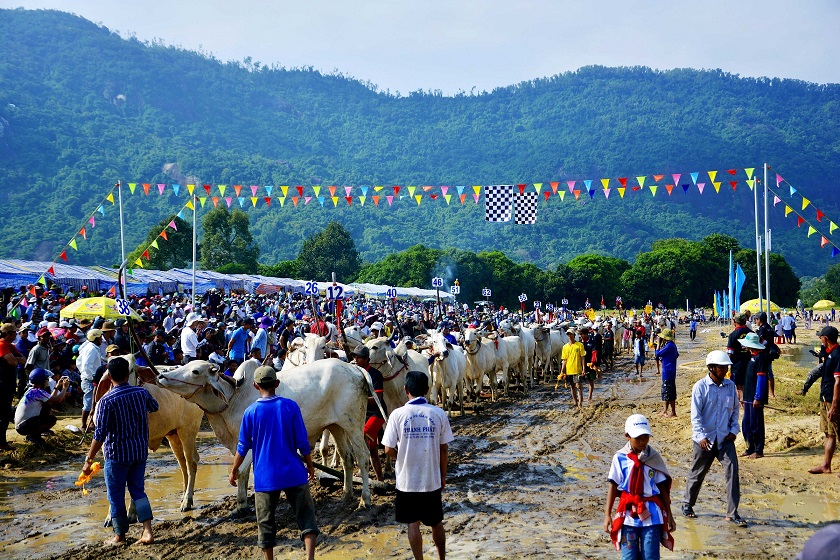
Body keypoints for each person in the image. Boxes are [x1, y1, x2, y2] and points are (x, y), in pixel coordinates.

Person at [229, 365, 318, 560]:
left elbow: (242, 447)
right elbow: (302, 442)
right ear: (277, 383)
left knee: (266, 524)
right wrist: (309, 465)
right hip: (294, 473)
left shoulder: (250, 412)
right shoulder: (290, 406)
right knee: (306, 518)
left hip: (266, 478)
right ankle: (310, 558)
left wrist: (234, 470)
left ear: (254, 385)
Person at [83, 357, 159, 545]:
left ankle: (120, 536)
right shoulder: (141, 393)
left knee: (116, 495)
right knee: (138, 491)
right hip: (139, 451)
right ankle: (147, 531)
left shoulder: (105, 401)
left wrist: (89, 458)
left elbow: (99, 434)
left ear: (108, 376)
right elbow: (154, 407)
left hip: (117, 455)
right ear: (128, 374)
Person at [382, 370, 454, 560]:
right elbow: (444, 449)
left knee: (412, 524)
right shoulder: (438, 413)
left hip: (407, 481)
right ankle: (442, 558)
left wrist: (402, 458)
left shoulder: (397, 415)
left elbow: (388, 448)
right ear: (428, 389)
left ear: (405, 389)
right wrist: (443, 476)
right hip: (431, 478)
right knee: (436, 522)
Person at [682, 350, 746, 527]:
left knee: (732, 472)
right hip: (705, 440)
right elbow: (695, 417)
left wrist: (734, 430)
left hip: (725, 438)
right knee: (697, 473)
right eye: (721, 367)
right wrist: (701, 437)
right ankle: (687, 505)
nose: (725, 370)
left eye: (726, 367)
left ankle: (732, 513)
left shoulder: (730, 387)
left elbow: (734, 411)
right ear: (711, 368)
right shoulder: (700, 387)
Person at [604, 414, 675, 559]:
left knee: (650, 556)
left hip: (652, 515)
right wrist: (607, 515)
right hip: (628, 515)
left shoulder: (653, 457)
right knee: (629, 556)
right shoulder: (619, 458)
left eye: (646, 437)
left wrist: (670, 516)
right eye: (638, 438)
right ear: (627, 436)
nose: (643, 441)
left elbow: (663, 489)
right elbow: (613, 486)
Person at [807, 325, 840, 475]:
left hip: (833, 401)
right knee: (829, 433)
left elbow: (838, 382)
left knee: (837, 432)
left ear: (825, 339)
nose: (819, 339)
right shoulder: (829, 353)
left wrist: (834, 406)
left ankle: (827, 465)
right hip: (825, 399)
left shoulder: (838, 354)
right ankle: (826, 465)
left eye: (821, 337)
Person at [352, 345, 387, 481]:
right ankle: (379, 479)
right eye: (355, 356)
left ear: (367, 359)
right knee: (372, 450)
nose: (356, 359)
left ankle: (364, 472)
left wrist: (357, 400)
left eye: (359, 357)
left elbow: (378, 399)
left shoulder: (375, 374)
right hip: (363, 413)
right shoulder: (354, 372)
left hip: (377, 413)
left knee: (364, 437)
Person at [14, 368, 70, 443]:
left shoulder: (32, 390)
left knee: (47, 406)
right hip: (23, 427)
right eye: (46, 379)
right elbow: (58, 400)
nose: (47, 381)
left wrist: (57, 386)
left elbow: (51, 400)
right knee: (51, 420)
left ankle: (34, 434)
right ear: (41, 381)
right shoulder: (38, 392)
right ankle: (33, 436)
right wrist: (64, 388)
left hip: (22, 425)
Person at [740, 333, 769, 459]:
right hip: (747, 396)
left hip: (755, 398)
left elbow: (761, 379)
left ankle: (758, 450)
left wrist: (758, 397)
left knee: (756, 424)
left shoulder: (760, 358)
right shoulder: (751, 356)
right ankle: (749, 447)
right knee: (747, 424)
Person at [0, 323, 27, 450]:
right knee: (3, 413)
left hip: (9, 384)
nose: (16, 334)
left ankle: (2, 440)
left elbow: (23, 360)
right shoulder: (2, 345)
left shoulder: (10, 346)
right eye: (14, 332)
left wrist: (13, 358)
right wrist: (14, 359)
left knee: (5, 412)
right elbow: (14, 361)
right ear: (8, 333)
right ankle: (2, 442)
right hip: (2, 384)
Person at [77, 328, 104, 431]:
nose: (101, 339)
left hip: (91, 378)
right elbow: (86, 365)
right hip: (89, 379)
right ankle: (83, 425)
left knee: (95, 402)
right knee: (89, 402)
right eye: (100, 337)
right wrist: (91, 377)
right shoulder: (91, 349)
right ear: (96, 338)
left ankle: (92, 423)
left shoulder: (92, 347)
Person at [726, 313, 752, 402]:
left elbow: (730, 353)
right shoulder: (751, 333)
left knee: (739, 386)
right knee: (747, 384)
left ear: (735, 322)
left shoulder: (733, 335)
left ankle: (744, 404)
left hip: (737, 365)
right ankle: (746, 402)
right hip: (750, 363)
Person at [655, 329, 679, 417]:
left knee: (666, 391)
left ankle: (667, 411)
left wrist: (658, 344)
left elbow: (657, 354)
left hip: (667, 371)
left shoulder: (669, 346)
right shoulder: (672, 345)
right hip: (671, 370)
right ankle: (670, 411)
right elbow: (676, 355)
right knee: (671, 392)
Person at [560, 327, 586, 408]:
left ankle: (580, 403)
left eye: (571, 334)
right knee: (572, 386)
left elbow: (583, 358)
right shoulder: (565, 347)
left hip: (578, 370)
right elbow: (564, 360)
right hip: (569, 370)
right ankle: (575, 401)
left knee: (579, 386)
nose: (569, 335)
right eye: (568, 334)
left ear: (574, 335)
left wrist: (584, 369)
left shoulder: (579, 345)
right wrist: (562, 371)